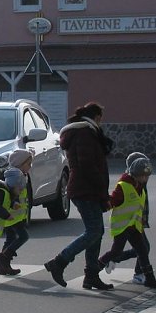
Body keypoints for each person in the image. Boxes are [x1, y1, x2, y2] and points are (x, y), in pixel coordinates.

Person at [44, 102, 114, 290]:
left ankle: (91, 275)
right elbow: (87, 166)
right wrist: (102, 192)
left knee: (97, 232)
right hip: (85, 189)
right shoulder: (85, 134)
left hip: (87, 189)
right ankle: (59, 261)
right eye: (101, 119)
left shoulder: (85, 132)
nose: (101, 123)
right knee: (93, 231)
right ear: (97, 117)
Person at [99, 157, 156, 289]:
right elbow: (112, 202)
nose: (146, 179)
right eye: (144, 176)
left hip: (134, 226)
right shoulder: (123, 186)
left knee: (142, 250)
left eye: (147, 176)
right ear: (136, 174)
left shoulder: (139, 186)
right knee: (115, 251)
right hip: (122, 227)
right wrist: (103, 204)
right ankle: (94, 269)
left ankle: (149, 278)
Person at [113, 151, 151, 284]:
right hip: (128, 222)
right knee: (144, 248)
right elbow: (116, 201)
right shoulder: (129, 184)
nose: (146, 175)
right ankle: (138, 273)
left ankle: (115, 258)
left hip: (137, 221)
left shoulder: (140, 183)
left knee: (143, 248)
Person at [0, 149, 33, 275]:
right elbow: (13, 191)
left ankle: (4, 267)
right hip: (13, 214)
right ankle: (5, 257)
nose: (30, 167)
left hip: (14, 214)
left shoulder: (19, 174)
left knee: (10, 238)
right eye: (28, 164)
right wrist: (15, 202)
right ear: (20, 164)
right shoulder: (15, 175)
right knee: (23, 236)